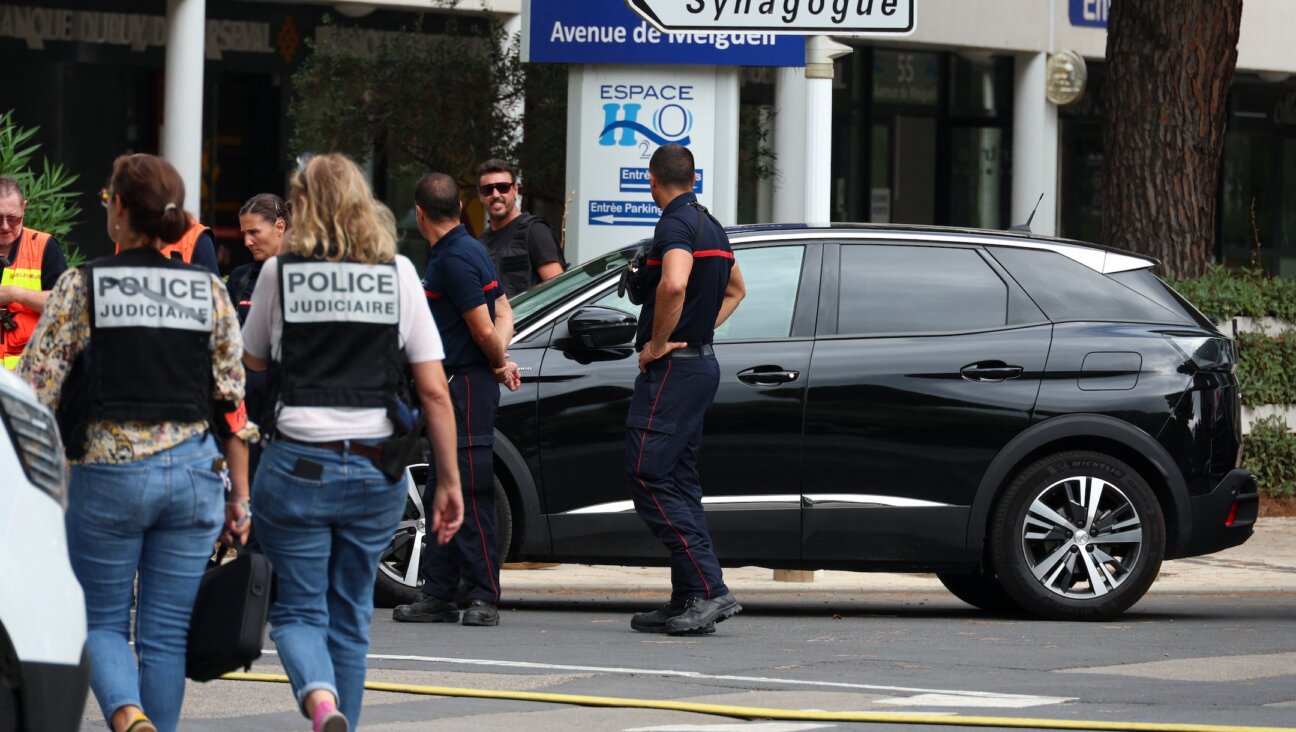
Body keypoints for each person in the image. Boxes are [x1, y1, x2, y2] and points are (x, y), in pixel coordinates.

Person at [17, 153, 253, 732]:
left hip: (106, 475)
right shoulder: (209, 289)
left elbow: (34, 389)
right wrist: (240, 497)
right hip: (196, 476)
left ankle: (125, 714)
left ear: (119, 209)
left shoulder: (83, 284)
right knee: (165, 634)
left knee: (99, 619)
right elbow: (232, 400)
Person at [242, 153, 463, 731]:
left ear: (303, 210)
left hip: (296, 466)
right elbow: (434, 392)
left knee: (295, 612)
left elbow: (253, 359)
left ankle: (318, 699)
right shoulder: (399, 274)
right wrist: (449, 481)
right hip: (376, 472)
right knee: (351, 618)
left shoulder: (279, 274)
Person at [625, 144, 746, 637]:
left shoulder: (673, 224)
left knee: (647, 474)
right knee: (679, 479)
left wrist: (657, 345)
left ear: (653, 180)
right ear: (693, 178)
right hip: (701, 365)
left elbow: (672, 285)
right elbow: (737, 289)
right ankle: (688, 596)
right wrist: (697, 331)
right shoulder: (710, 224)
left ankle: (710, 589)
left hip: (674, 372)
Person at [392, 172, 520, 628]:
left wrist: (495, 360)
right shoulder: (469, 249)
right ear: (462, 206)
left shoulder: (454, 258)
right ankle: (440, 592)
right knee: (438, 491)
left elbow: (486, 325)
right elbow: (504, 312)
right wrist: (500, 362)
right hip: (463, 381)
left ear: (420, 212)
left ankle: (484, 595)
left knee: (468, 490)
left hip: (465, 384)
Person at [0, 175, 69, 369]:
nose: (5, 226)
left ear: (24, 208)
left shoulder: (44, 246)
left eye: (13, 218)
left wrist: (14, 294)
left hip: (31, 376)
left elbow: (64, 304)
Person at [476, 158, 564, 298]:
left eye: (502, 187)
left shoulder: (535, 231)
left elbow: (558, 293)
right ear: (480, 195)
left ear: (515, 190)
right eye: (487, 190)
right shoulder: (480, 244)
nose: (496, 194)